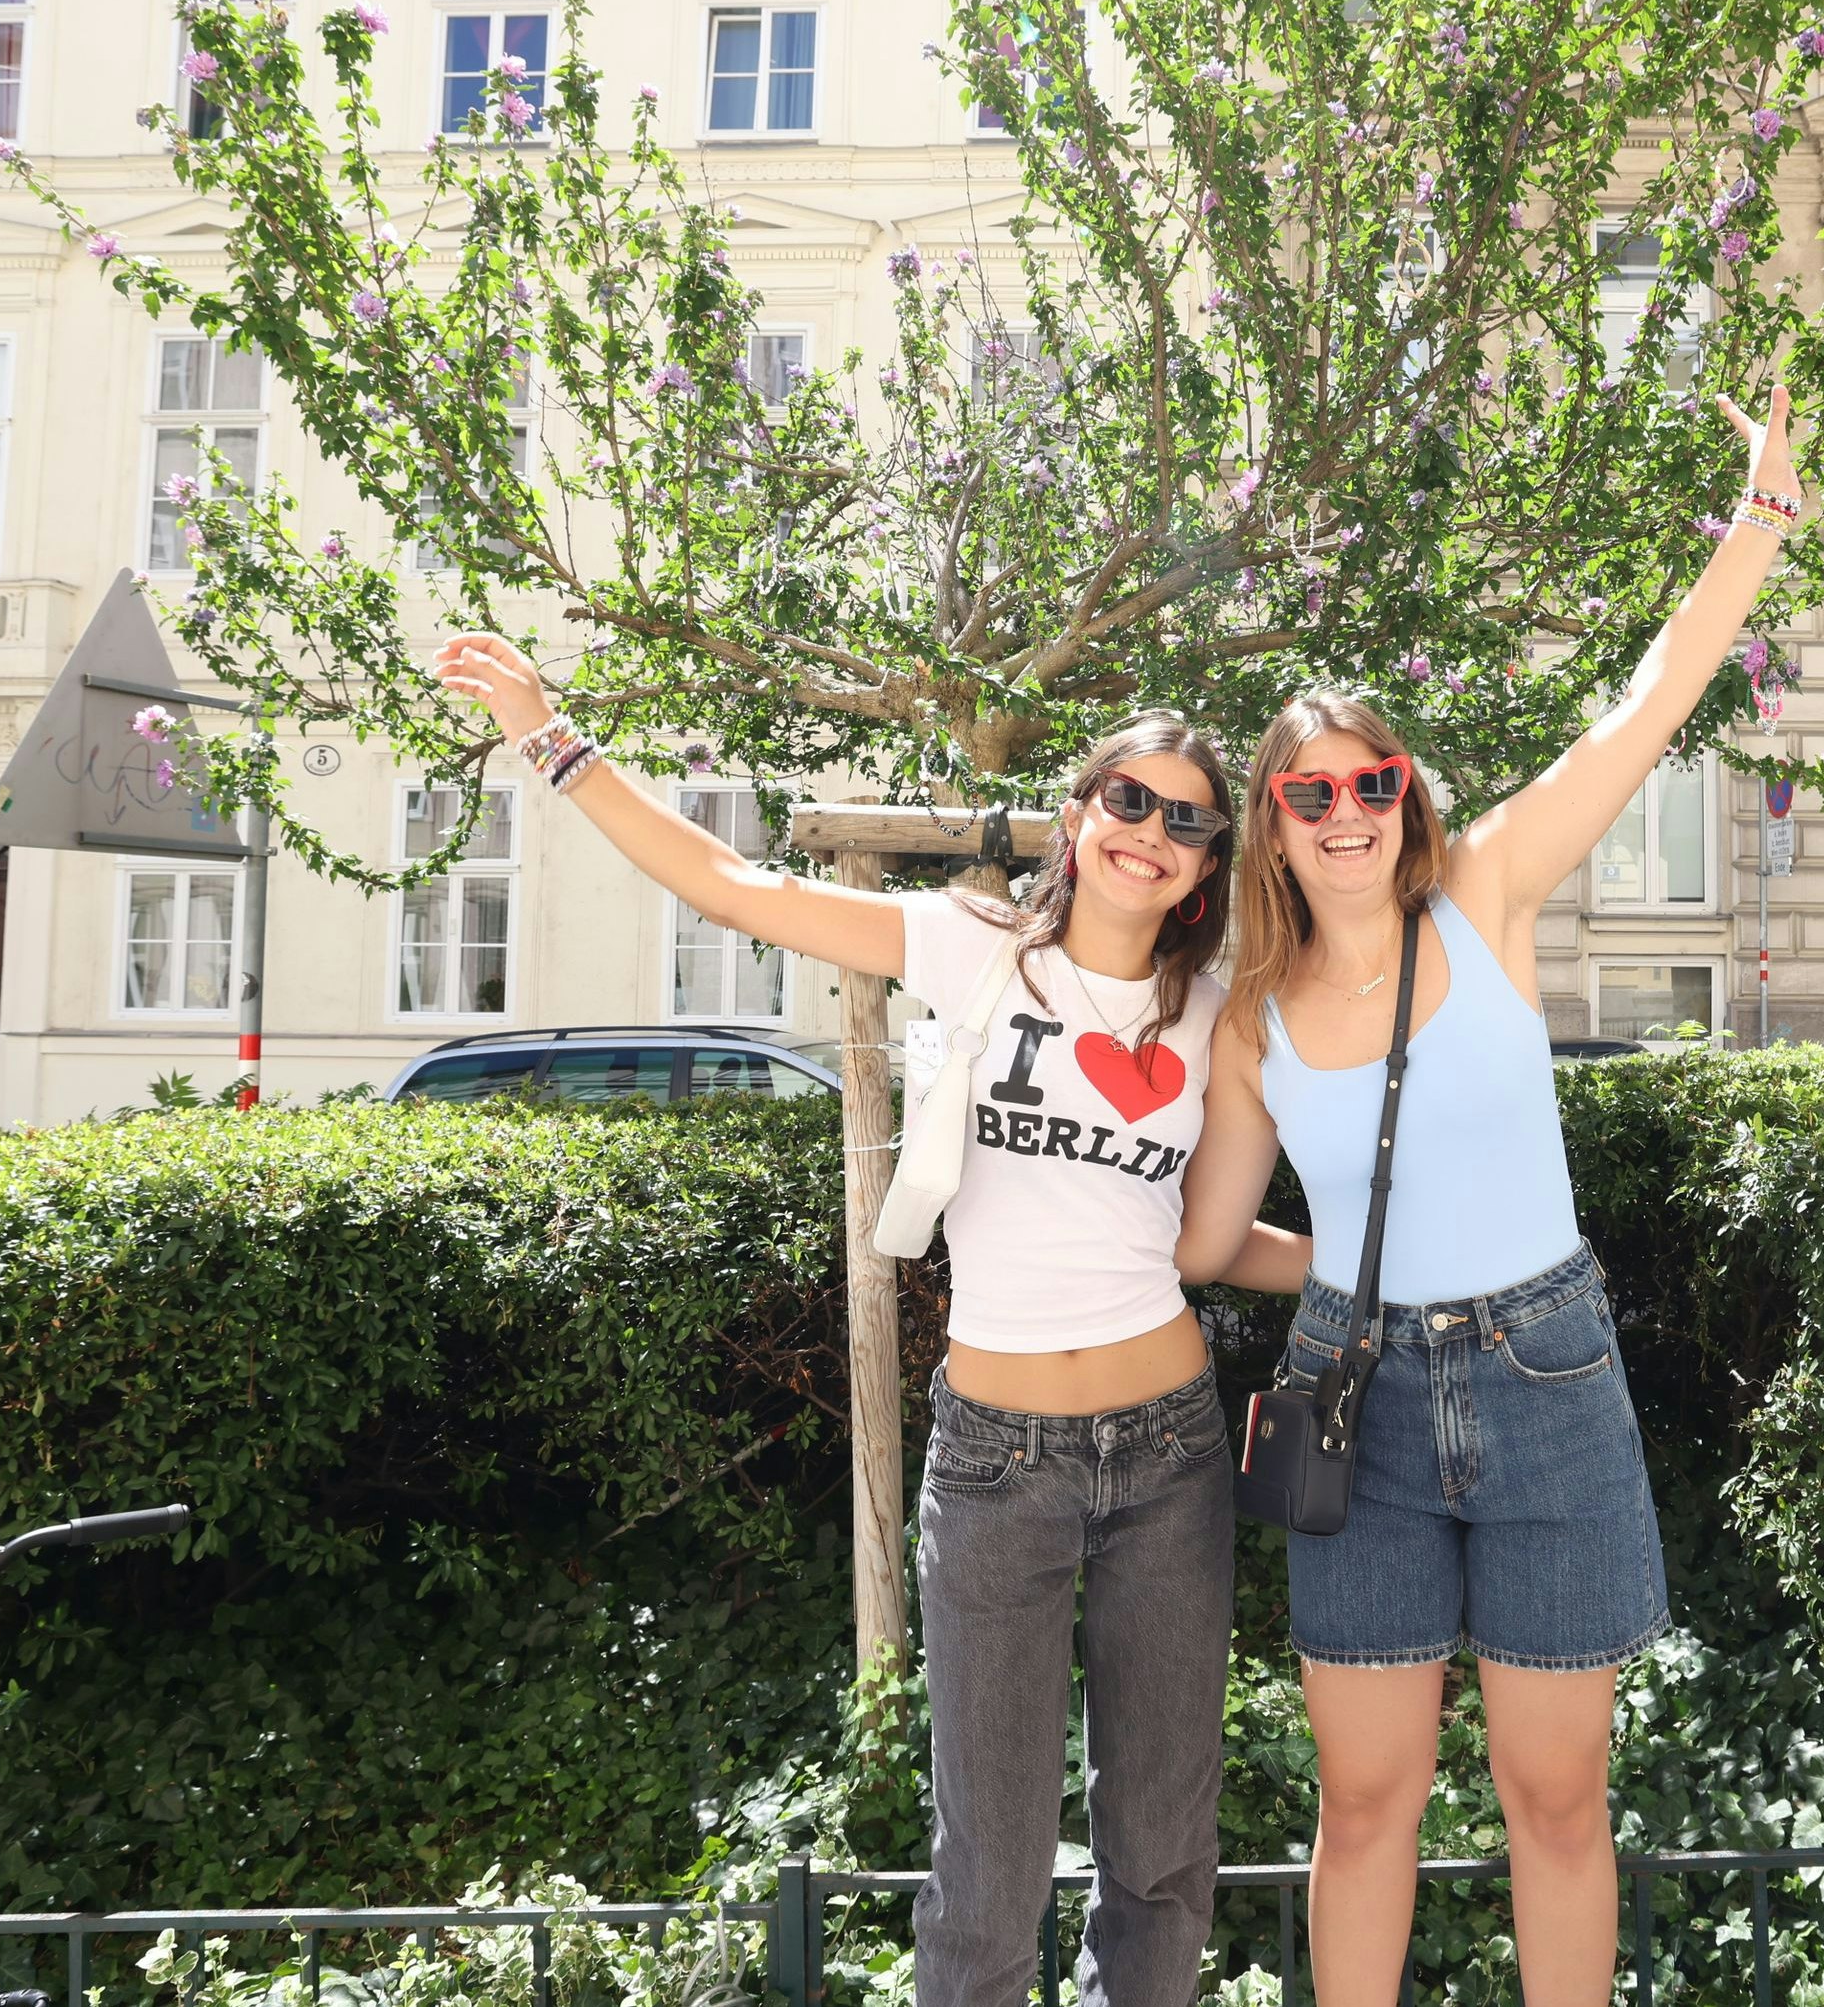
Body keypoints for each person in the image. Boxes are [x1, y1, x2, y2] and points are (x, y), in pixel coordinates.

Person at [429, 632, 1300, 2007]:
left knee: (1161, 1860)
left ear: (1203, 869)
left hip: (1170, 1452)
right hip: (999, 1458)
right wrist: (556, 740)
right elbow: (733, 885)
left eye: (1186, 820)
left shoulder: (1218, 1019)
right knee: (986, 1874)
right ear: (1079, 814)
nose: (1151, 830)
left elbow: (1203, 1241)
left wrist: (1371, 1259)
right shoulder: (971, 948)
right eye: (1127, 798)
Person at [1175, 386, 1811, 2006]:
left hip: (1547, 1379)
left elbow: (1648, 705)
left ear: (1407, 791)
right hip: (1359, 1398)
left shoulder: (1486, 893)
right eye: (1307, 794)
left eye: (1366, 782)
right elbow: (1202, 1240)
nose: (1343, 814)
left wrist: (1763, 519)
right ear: (1272, 822)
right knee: (1369, 1797)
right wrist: (1336, 1274)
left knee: (1556, 1794)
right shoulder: (1247, 1013)